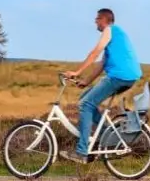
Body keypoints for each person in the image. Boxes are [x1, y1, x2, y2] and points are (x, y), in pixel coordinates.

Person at [60, 8, 142, 163]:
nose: (95, 21)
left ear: (104, 19)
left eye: (97, 18)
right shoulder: (116, 35)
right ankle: (107, 135)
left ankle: (81, 152)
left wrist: (77, 72)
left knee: (85, 104)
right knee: (85, 98)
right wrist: (86, 81)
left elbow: (95, 52)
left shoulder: (109, 30)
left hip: (119, 76)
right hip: (126, 77)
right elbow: (101, 64)